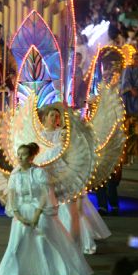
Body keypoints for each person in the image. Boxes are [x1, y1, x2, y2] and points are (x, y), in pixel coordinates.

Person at [0, 143, 93, 275]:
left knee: (45, 244)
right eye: (18, 154)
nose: (19, 157)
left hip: (40, 210)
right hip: (21, 212)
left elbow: (46, 195)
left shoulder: (39, 173)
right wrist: (18, 215)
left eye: (23, 154)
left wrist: (37, 215)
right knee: (15, 245)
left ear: (31, 157)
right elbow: (12, 196)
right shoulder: (14, 174)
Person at [40, 107, 111, 254]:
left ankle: (75, 241)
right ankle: (55, 240)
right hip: (47, 174)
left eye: (57, 116)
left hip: (65, 174)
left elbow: (70, 152)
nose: (54, 119)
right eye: (51, 115)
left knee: (70, 209)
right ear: (45, 117)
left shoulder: (63, 134)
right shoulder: (39, 135)